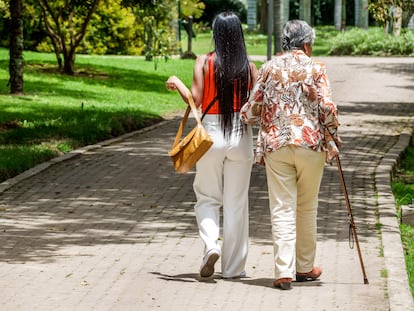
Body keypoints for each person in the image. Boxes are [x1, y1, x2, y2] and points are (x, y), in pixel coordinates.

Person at [240, 20, 342, 290]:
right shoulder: (316, 68)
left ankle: (283, 271)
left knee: (282, 207)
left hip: (277, 144)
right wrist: (333, 133)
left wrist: (259, 117)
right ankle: (305, 267)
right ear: (307, 43)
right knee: (307, 206)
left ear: (285, 42)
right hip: (310, 144)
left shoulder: (268, 68)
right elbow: (328, 108)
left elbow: (251, 110)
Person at [166, 11, 258, 279]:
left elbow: (194, 100)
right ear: (238, 34)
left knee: (207, 198)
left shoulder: (204, 62)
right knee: (236, 203)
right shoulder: (250, 68)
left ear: (217, 34)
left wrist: (177, 83)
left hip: (211, 137)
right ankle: (234, 269)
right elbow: (253, 106)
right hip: (240, 136)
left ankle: (210, 247)